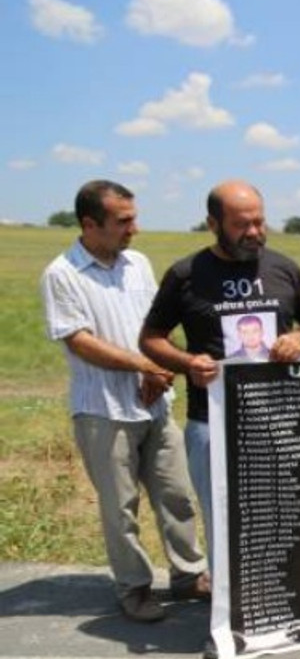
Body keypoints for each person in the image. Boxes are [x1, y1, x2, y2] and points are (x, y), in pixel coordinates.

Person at [40, 180, 208, 623]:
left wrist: (159, 367)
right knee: (121, 507)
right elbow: (79, 341)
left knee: (176, 495)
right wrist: (142, 366)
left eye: (133, 217)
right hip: (103, 410)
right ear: (90, 224)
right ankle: (133, 588)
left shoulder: (138, 263)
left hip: (155, 402)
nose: (135, 228)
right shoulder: (63, 273)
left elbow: (155, 325)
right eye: (124, 220)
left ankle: (189, 575)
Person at [140, 181, 300, 571]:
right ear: (213, 223)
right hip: (212, 424)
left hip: (282, 420)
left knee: (285, 517)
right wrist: (188, 362)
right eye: (243, 225)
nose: (255, 232)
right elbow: (150, 339)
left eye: (260, 222)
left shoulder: (284, 268)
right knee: (223, 522)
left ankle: (284, 597)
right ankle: (229, 618)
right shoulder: (186, 274)